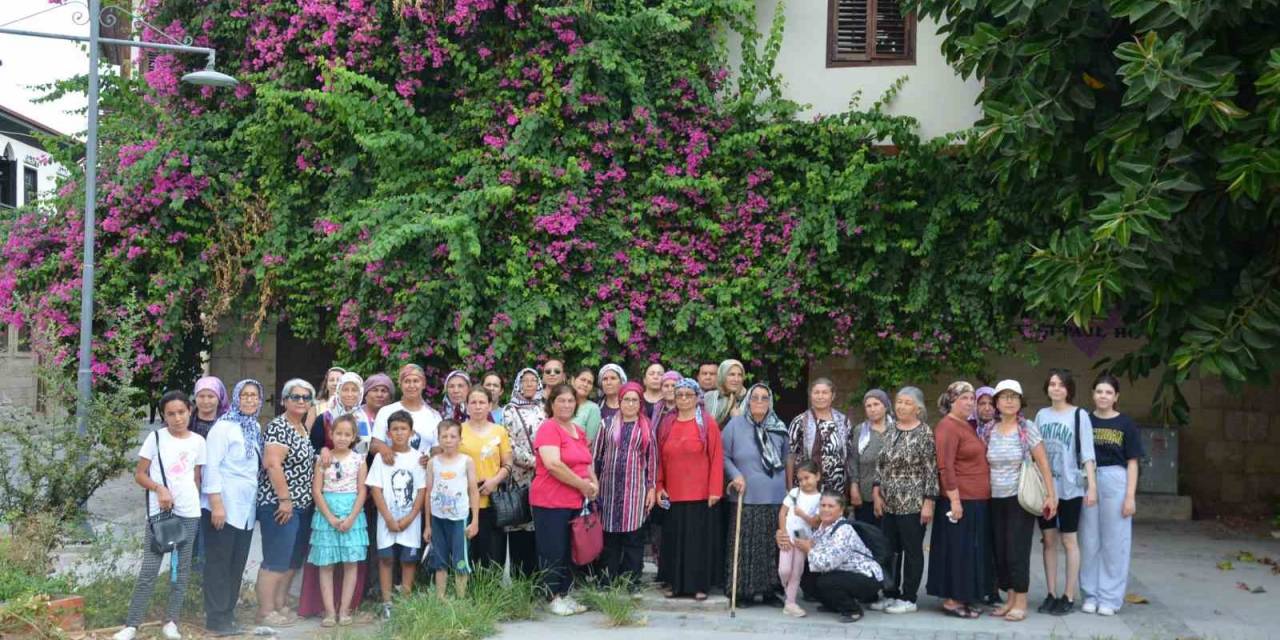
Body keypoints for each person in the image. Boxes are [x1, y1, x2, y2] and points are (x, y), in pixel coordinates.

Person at [114, 391, 205, 640]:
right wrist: (159, 488)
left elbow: (196, 477)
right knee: (150, 568)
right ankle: (132, 624)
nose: (177, 418)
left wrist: (194, 499)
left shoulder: (198, 441)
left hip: (189, 512)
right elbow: (140, 474)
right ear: (164, 416)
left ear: (190, 411)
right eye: (171, 414)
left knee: (182, 569)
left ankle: (171, 621)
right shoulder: (155, 438)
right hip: (160, 512)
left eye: (182, 412)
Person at [980, 379, 1056, 622]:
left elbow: (1043, 462)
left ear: (1020, 401)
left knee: (1017, 550)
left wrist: (1051, 495)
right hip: (994, 498)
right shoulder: (988, 429)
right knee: (1001, 550)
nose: (1009, 401)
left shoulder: (1027, 427)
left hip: (1019, 498)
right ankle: (1010, 599)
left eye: (1014, 396)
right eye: (1004, 397)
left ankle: (1021, 601)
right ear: (996, 403)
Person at [300, 372, 370, 620]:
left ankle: (345, 610)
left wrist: (351, 517)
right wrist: (329, 517)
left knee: (351, 563)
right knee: (326, 564)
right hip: (326, 510)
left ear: (353, 437)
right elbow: (316, 489)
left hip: (353, 510)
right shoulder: (324, 452)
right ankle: (329, 612)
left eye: (346, 435)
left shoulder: (360, 457)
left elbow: (363, 489)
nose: (341, 438)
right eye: (337, 434)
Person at [201, 379, 265, 636]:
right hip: (223, 505)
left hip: (245, 508)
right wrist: (216, 504)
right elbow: (211, 467)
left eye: (254, 396)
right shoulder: (223, 427)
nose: (250, 400)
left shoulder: (254, 427)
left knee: (236, 564)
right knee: (219, 563)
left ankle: (228, 613)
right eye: (245, 395)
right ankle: (216, 618)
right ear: (236, 398)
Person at [926, 381, 993, 619]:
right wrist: (955, 501)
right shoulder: (947, 427)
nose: (969, 402)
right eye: (964, 398)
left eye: (971, 398)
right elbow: (945, 467)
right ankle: (952, 600)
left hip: (976, 499)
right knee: (957, 551)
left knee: (968, 551)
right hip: (960, 499)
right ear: (952, 400)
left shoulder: (966, 426)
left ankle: (965, 595)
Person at [255, 378, 319, 627]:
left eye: (306, 398)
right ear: (284, 400)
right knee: (276, 558)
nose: (301, 401)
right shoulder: (279, 427)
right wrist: (284, 499)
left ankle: (280, 604)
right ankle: (265, 610)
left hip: (300, 506)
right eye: (296, 397)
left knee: (291, 559)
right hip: (279, 505)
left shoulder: (301, 428)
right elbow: (272, 464)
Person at [1079, 373, 1144, 617]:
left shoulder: (1126, 424)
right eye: (1099, 391)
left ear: (1116, 396)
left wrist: (1130, 496)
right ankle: (1090, 594)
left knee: (1115, 542)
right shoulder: (1084, 420)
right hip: (1089, 479)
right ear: (1093, 394)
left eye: (1108, 392)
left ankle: (1109, 597)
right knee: (1089, 540)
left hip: (1116, 480)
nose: (1103, 396)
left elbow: (1133, 462)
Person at [870, 386, 937, 615]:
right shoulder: (890, 429)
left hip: (913, 503)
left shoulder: (925, 432)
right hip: (889, 502)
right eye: (899, 401)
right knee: (889, 550)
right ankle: (890, 593)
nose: (901, 406)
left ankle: (909, 598)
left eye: (907, 403)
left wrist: (929, 501)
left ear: (918, 408)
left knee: (912, 551)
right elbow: (881, 464)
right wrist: (877, 492)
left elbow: (931, 470)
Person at [1035, 369, 1097, 616]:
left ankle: (1069, 595)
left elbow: (1088, 454)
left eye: (1061, 385)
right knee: (1048, 540)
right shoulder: (1041, 415)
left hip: (1070, 488)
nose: (1056, 388)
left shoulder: (1079, 415)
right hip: (1046, 489)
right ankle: (1050, 593)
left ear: (1069, 389)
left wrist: (1091, 487)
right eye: (1052, 384)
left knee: (1069, 540)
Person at [532, 384, 597, 616]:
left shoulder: (577, 431)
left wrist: (593, 483)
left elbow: (587, 461)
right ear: (552, 404)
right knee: (553, 550)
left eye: (570, 401)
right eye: (561, 401)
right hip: (551, 501)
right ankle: (551, 597)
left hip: (575, 501)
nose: (566, 405)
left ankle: (565, 593)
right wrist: (583, 485)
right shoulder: (548, 428)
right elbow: (553, 464)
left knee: (570, 550)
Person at [656, 378, 724, 600]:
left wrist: (715, 489)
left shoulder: (707, 423)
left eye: (688, 395)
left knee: (697, 542)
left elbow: (716, 457)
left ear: (697, 398)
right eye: (679, 395)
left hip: (700, 493)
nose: (684, 399)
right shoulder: (667, 422)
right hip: (672, 493)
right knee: (673, 540)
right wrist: (659, 485)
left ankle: (698, 586)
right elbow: (658, 458)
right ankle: (674, 584)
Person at [722, 383, 787, 607]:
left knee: (770, 547)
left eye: (764, 398)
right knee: (746, 547)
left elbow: (787, 459)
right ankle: (743, 592)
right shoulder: (735, 425)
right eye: (755, 397)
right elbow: (724, 455)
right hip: (746, 495)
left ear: (770, 402)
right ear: (748, 400)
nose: (759, 402)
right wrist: (735, 475)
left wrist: (789, 491)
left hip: (775, 495)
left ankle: (769, 591)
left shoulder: (779, 427)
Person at [593, 381, 657, 588]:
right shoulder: (607, 424)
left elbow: (653, 461)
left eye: (634, 400)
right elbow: (596, 456)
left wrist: (651, 488)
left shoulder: (647, 428)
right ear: (620, 402)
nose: (630, 404)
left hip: (635, 490)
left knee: (633, 537)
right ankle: (606, 579)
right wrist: (592, 484)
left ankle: (631, 580)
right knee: (609, 536)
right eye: (626, 400)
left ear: (640, 403)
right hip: (609, 489)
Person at [366, 410, 428, 619]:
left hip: (411, 520)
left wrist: (410, 517)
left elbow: (421, 490)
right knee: (386, 559)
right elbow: (375, 489)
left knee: (408, 561)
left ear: (411, 432)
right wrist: (389, 518)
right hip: (387, 520)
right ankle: (387, 603)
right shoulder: (381, 459)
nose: (399, 433)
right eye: (395, 429)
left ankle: (405, 601)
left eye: (404, 429)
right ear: (388, 432)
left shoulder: (419, 459)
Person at [790, 491, 884, 624]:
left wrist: (809, 549)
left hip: (866, 577)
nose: (825, 509)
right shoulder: (823, 527)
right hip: (844, 573)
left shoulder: (843, 530)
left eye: (830, 506)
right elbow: (817, 553)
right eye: (823, 505)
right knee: (805, 573)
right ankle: (834, 605)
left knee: (827, 581)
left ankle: (853, 610)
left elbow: (828, 563)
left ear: (841, 511)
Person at [425, 420, 481, 599]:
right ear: (438, 439)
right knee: (439, 560)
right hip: (438, 518)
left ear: (460, 439)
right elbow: (428, 493)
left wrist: (475, 521)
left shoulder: (466, 462)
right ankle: (440, 599)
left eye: (453, 436)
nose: (448, 440)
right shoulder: (433, 463)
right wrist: (428, 524)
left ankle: (460, 600)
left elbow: (473, 491)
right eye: (444, 436)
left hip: (459, 519)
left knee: (460, 560)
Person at [458, 388, 513, 568]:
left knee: (492, 552)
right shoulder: (458, 430)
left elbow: (508, 464)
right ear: (466, 406)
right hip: (463, 501)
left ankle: (491, 592)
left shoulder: (500, 431)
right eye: (473, 402)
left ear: (490, 406)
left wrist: (495, 481)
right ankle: (466, 591)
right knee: (467, 552)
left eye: (482, 403)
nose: (478, 407)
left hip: (492, 500)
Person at [504, 367, 547, 576]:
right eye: (525, 381)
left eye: (533, 380)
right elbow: (508, 443)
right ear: (518, 385)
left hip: (543, 476)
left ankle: (537, 577)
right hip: (519, 477)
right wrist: (533, 462)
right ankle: (519, 577)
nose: (529, 384)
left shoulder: (544, 409)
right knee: (519, 525)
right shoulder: (509, 410)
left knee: (539, 527)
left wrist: (544, 462)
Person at [786, 378, 851, 496]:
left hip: (837, 488)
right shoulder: (800, 421)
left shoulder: (843, 421)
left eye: (825, 392)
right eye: (816, 392)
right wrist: (790, 489)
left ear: (833, 396)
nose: (820, 396)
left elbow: (849, 454)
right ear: (810, 395)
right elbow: (790, 456)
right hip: (807, 487)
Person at [372, 364, 442, 464]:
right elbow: (375, 444)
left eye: (416, 381)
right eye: (407, 381)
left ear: (423, 384)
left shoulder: (435, 416)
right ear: (400, 384)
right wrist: (383, 449)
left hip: (422, 473)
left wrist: (431, 460)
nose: (411, 385)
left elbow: (437, 448)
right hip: (391, 469)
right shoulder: (386, 411)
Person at [776, 461, 821, 617]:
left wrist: (802, 514)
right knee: (785, 569)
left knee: (797, 570)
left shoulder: (819, 498)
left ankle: (790, 603)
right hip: (789, 533)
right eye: (800, 480)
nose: (803, 482)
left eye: (807, 478)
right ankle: (784, 586)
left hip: (802, 536)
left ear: (817, 477)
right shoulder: (795, 493)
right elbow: (782, 513)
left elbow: (816, 522)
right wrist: (782, 532)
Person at [847, 389, 894, 525]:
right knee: (867, 536)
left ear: (885, 406)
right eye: (868, 406)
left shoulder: (896, 430)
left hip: (892, 494)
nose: (872, 409)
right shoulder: (860, 431)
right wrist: (854, 487)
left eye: (876, 404)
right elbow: (854, 460)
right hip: (865, 493)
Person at [703, 359, 747, 427]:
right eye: (732, 374)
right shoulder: (709, 397)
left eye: (740, 375)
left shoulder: (749, 399)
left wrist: (738, 420)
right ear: (722, 376)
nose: (736, 379)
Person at [570, 368, 603, 443]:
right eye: (582, 380)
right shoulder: (562, 402)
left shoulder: (593, 409)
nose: (585, 384)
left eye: (589, 382)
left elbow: (589, 442)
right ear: (573, 380)